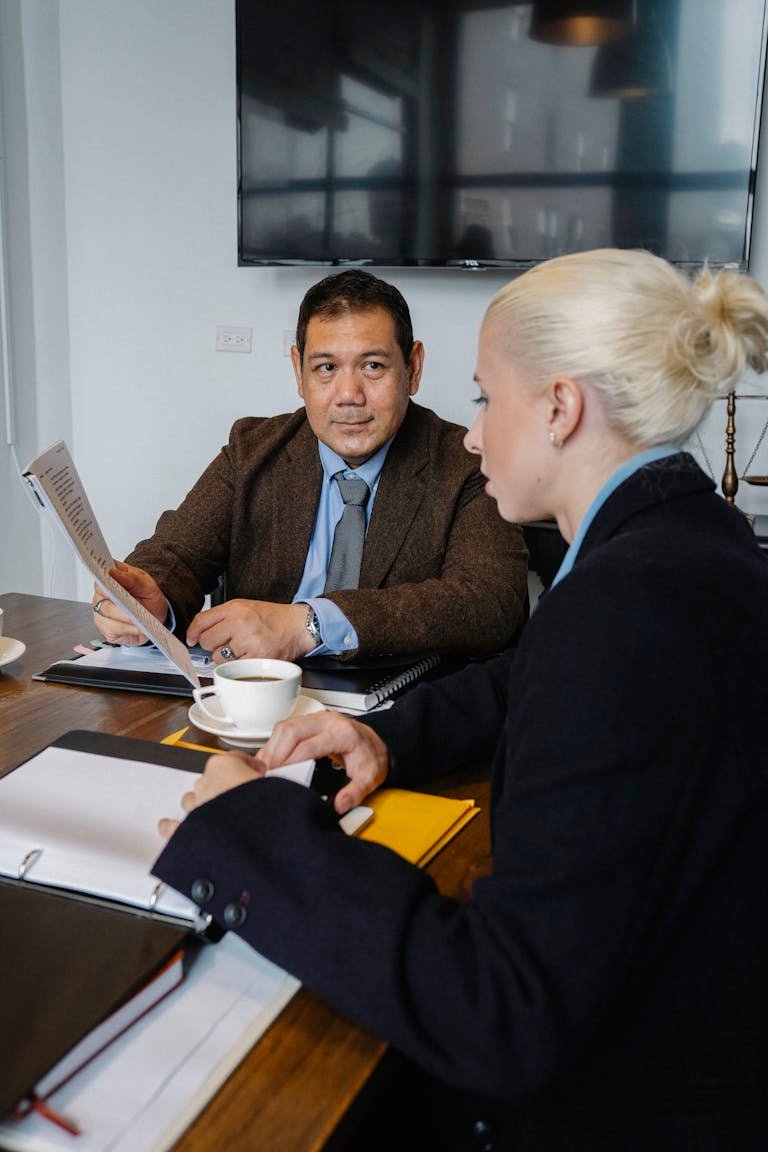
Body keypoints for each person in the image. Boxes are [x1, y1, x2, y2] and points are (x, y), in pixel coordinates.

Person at [154, 248, 768, 1150]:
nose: (474, 433)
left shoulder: (617, 613)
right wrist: (385, 740)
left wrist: (254, 836)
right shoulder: (688, 541)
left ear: (558, 408)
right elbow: (531, 674)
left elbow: (505, 1012)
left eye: (488, 399)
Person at [91, 269, 528, 663]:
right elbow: (176, 555)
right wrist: (151, 604)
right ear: (299, 372)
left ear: (412, 369)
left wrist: (309, 624)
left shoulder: (465, 463)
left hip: (395, 716)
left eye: (373, 366)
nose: (348, 394)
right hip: (256, 704)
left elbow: (492, 602)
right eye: (326, 368)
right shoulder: (252, 451)